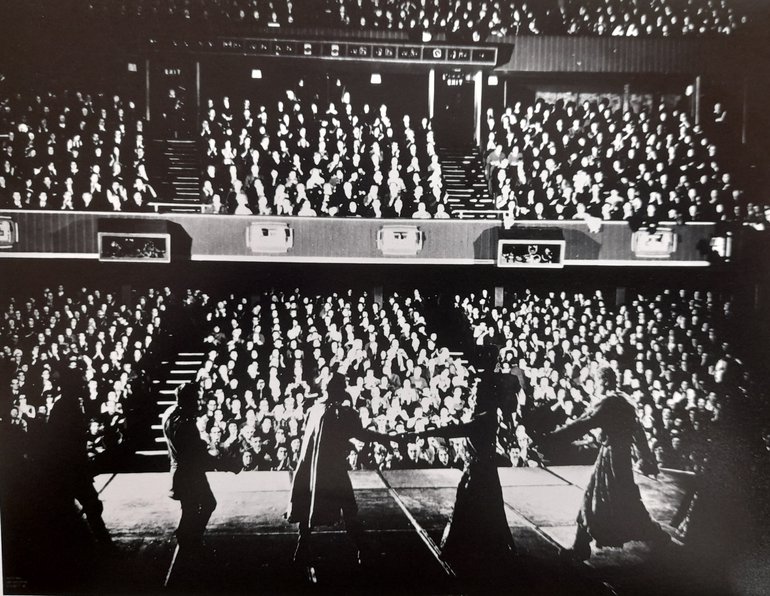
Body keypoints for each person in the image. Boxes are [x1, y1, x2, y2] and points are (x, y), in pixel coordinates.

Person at [406, 345, 519, 579]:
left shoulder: (484, 419)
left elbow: (454, 429)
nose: (473, 396)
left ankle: (474, 552)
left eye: (477, 393)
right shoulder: (485, 414)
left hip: (479, 471)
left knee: (474, 509)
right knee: (488, 510)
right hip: (481, 469)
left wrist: (425, 434)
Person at [541, 365, 670, 561]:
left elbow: (583, 424)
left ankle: (658, 536)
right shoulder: (625, 400)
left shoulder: (609, 404)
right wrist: (645, 457)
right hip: (619, 457)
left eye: (598, 381)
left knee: (620, 502)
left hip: (612, 459)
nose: (596, 386)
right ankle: (581, 545)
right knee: (598, 498)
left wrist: (552, 438)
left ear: (605, 381)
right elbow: (638, 431)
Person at [286, 371, 397, 565]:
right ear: (338, 390)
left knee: (307, 505)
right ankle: (363, 548)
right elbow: (361, 434)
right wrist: (385, 438)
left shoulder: (314, 409)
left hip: (309, 468)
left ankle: (301, 547)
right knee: (349, 508)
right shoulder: (341, 413)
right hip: (332, 471)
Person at [162, 382, 238, 554]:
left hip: (181, 471)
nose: (200, 402)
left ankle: (186, 537)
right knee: (206, 504)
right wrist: (227, 465)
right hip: (189, 474)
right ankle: (190, 541)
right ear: (188, 401)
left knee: (190, 508)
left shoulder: (170, 414)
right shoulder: (185, 426)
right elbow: (199, 456)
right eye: (197, 399)